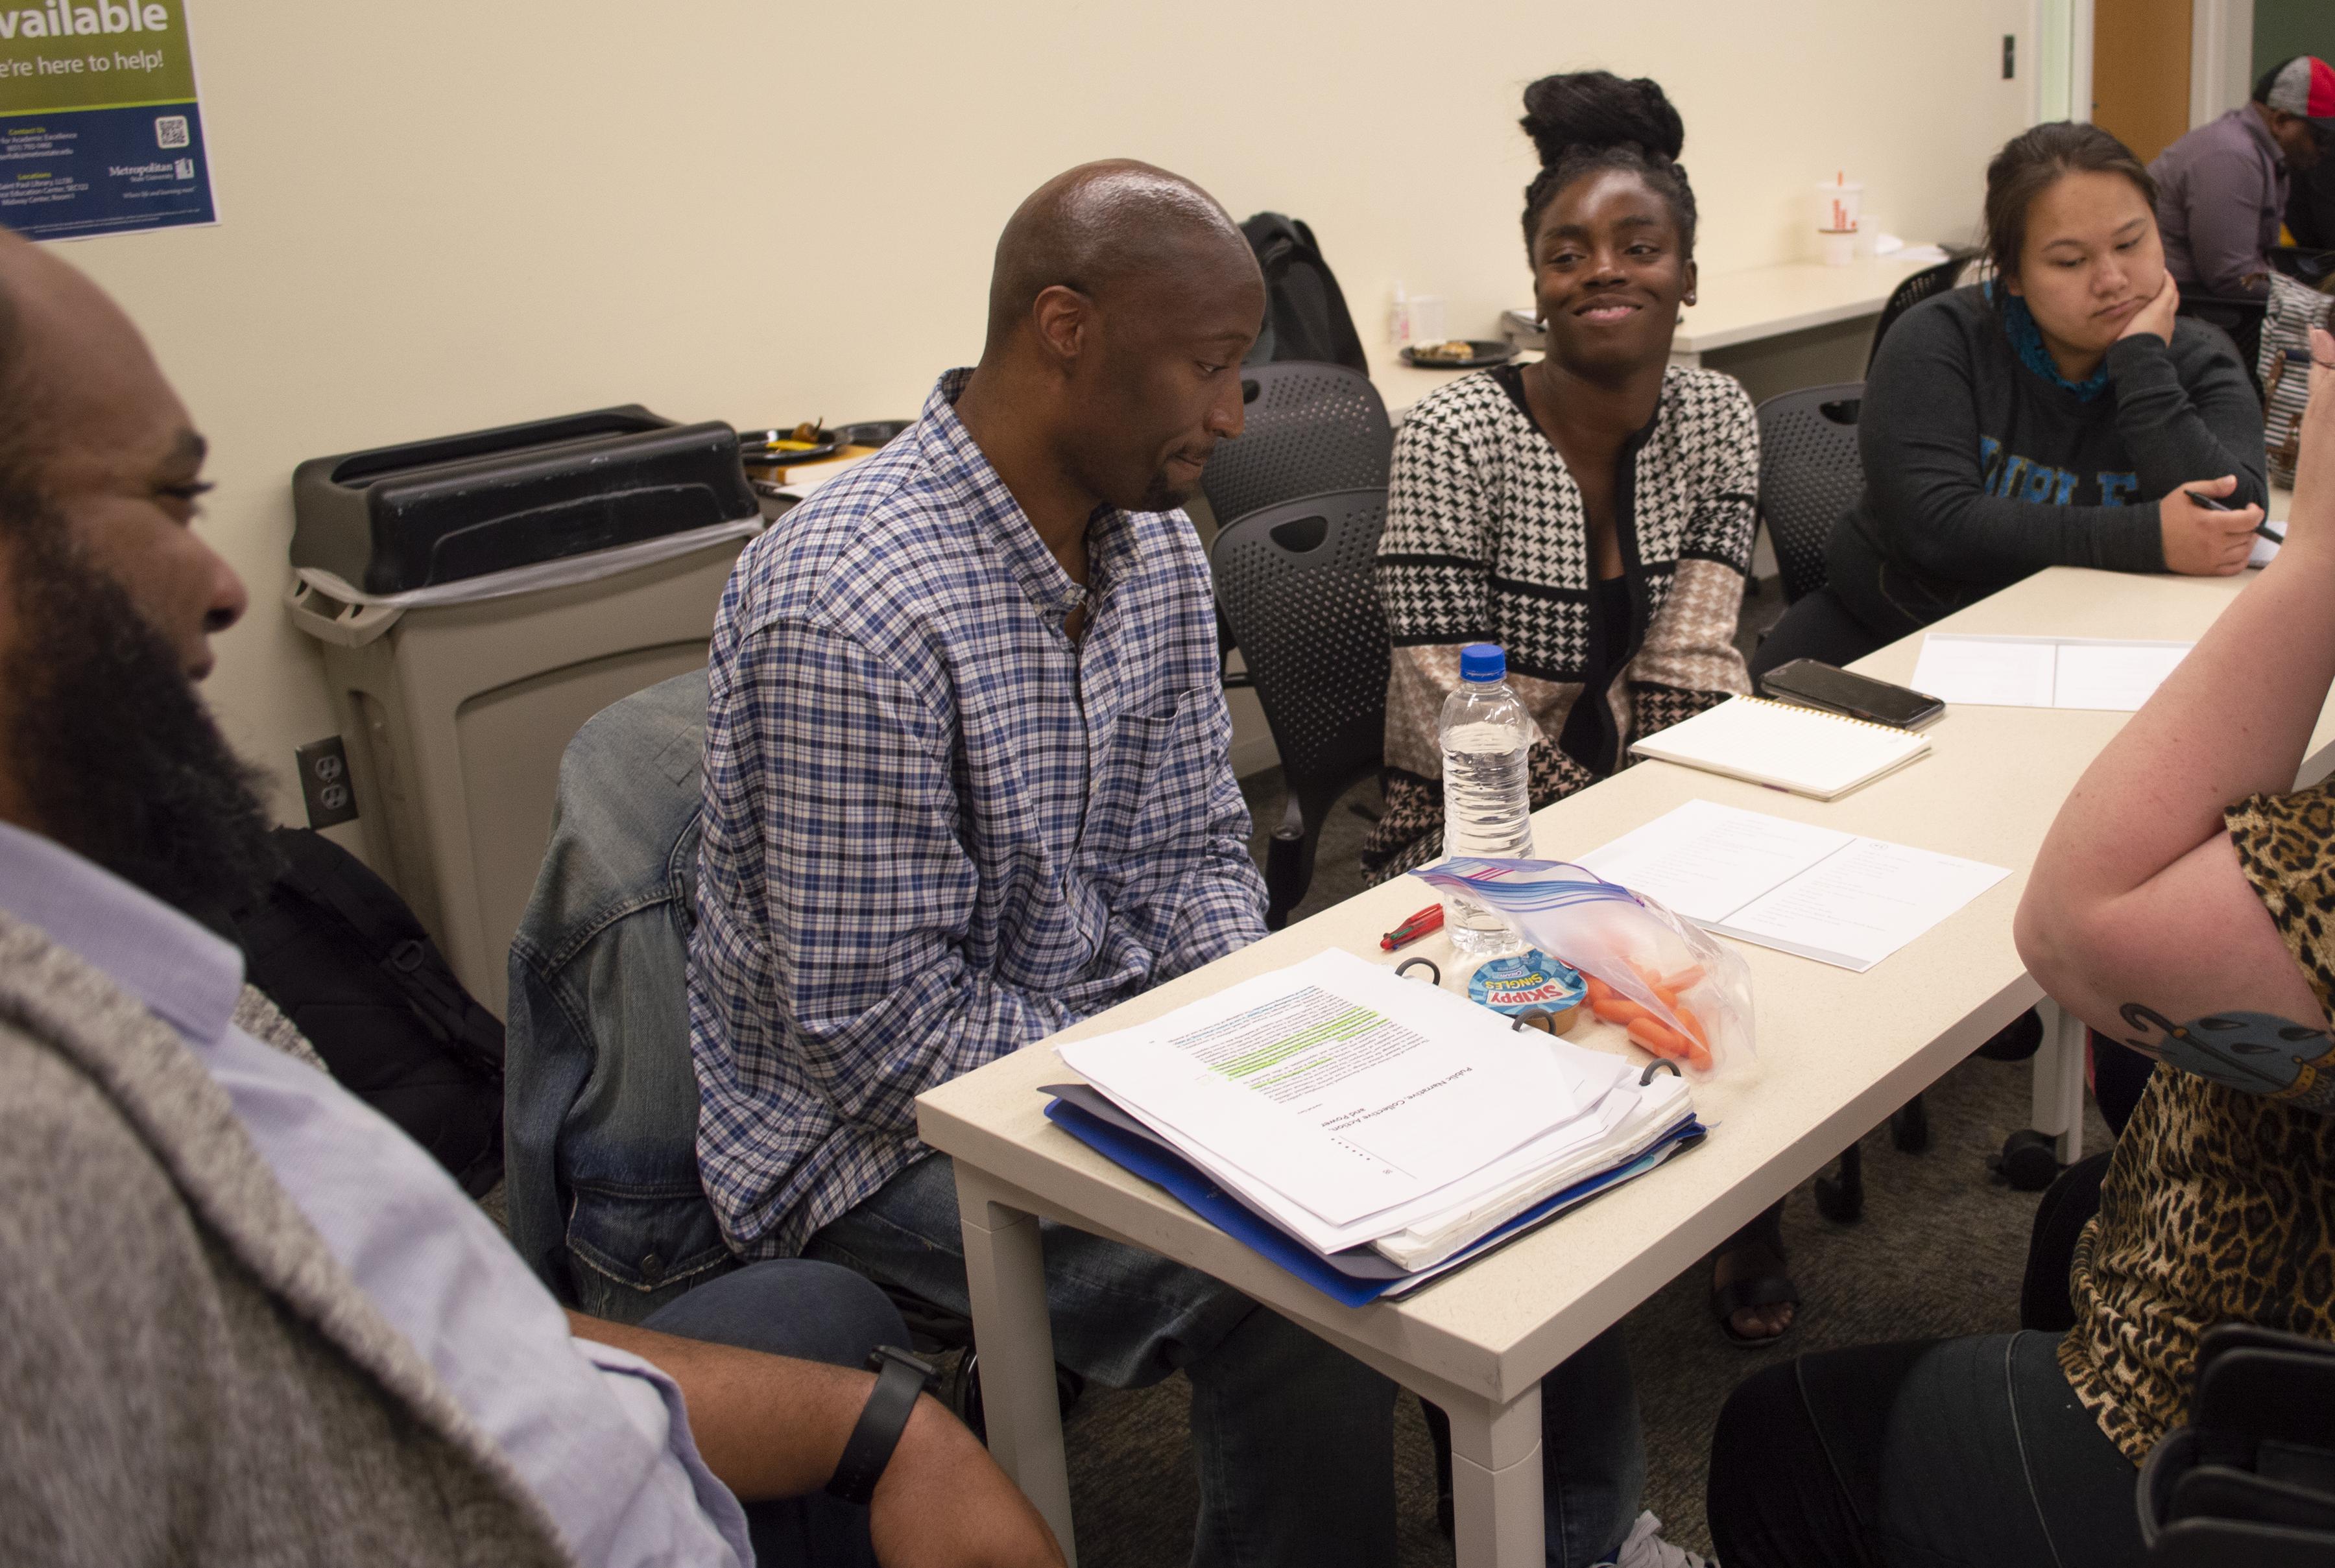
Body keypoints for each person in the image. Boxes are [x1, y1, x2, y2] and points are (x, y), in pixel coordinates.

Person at [689, 159, 1703, 1568]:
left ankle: (1592, 1544)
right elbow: (878, 1038)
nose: (1234, 418)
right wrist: (1189, 1081)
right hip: (875, 1142)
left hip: (1132, 1049)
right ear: (1067, 330)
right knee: (1292, 1286)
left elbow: (1199, 860)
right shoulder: (851, 605)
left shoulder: (1158, 552)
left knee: (1523, 1130)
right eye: (1211, 369)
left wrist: (1255, 1037)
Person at [0, 229, 1061, 1568]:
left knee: (819, 1328)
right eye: (162, 502)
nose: (222, 587)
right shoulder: (38, 1149)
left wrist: (878, 1435)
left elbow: (426, 1319)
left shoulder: (150, 968)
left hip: (615, 1440)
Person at [1705, 322, 2335, 1568]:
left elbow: (2075, 932)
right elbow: (1937, 521)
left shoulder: (2180, 362)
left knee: (1780, 1440)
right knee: (2079, 1212)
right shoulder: (1950, 345)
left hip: (2275, 1420)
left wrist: (2316, 562)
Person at [1359, 71, 1794, 1353]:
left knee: (1767, 948)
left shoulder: (1717, 414)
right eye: (1567, 254)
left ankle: (1731, 1198)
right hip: (1463, 845)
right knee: (1633, 983)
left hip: (1646, 808)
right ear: (1534, 283)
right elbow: (1452, 716)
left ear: (1689, 276)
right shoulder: (1456, 436)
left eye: (1638, 247)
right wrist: (1612, 884)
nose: (1602, 274)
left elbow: (1697, 659)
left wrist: (1691, 832)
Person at [1754, 121, 2268, 678]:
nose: (2113, 280)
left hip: (2107, 649)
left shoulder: (2198, 357)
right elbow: (1936, 523)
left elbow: (2234, 517)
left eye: (2130, 243)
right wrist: (2149, 538)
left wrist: (2142, 364)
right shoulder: (1939, 340)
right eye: (2070, 262)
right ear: (2013, 273)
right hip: (1902, 630)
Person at [2151, 54, 2332, 298]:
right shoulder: (2231, 156)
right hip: (2182, 306)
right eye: (2321, 138)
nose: (2326, 151)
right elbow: (2233, 277)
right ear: (2280, 121)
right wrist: (2320, 304)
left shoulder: (2263, 155)